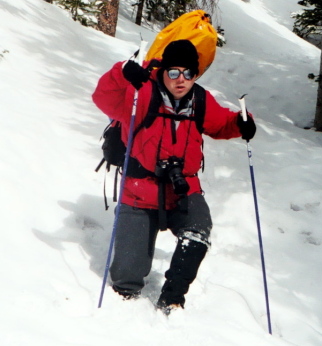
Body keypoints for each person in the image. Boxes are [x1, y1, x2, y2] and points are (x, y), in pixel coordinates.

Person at [92, 39, 256, 314]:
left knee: (198, 231)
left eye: (189, 73)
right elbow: (103, 97)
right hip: (139, 191)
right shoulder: (140, 93)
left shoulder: (200, 100)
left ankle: (172, 297)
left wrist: (242, 123)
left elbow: (221, 123)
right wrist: (123, 71)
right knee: (126, 282)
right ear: (163, 71)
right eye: (174, 72)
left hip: (182, 189)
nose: (182, 80)